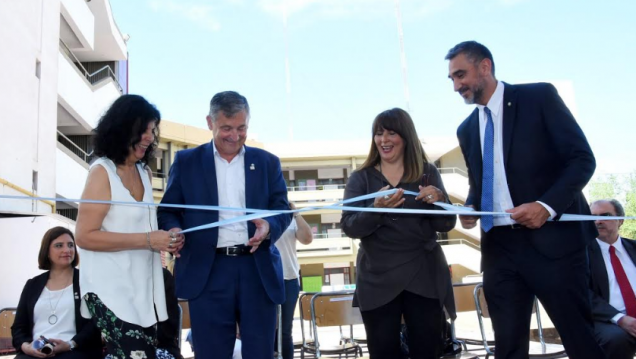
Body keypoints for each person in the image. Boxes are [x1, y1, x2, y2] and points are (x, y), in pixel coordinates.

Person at [447, 41, 605, 359]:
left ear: (485, 67)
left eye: (461, 74)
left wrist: (545, 207)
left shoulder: (538, 98)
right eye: (451, 78)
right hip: (499, 251)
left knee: (579, 340)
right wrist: (470, 208)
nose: (456, 85)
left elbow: (581, 159)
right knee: (507, 347)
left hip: (554, 244)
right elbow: (480, 185)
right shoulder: (466, 130)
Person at [157, 91, 291, 359]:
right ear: (210, 122)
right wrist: (173, 230)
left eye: (241, 128)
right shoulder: (186, 162)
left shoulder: (267, 163)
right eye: (226, 128)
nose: (235, 135)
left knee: (260, 353)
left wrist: (269, 226)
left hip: (256, 268)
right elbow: (169, 210)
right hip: (208, 272)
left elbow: (282, 210)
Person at [340, 108, 456, 359]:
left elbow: (447, 224)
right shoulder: (361, 178)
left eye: (391, 133)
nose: (384, 140)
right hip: (377, 277)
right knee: (383, 351)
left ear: (406, 137)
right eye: (379, 133)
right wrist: (376, 209)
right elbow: (349, 226)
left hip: (423, 274)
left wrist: (439, 199)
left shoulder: (427, 172)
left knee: (428, 349)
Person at [75, 94, 183, 359]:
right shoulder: (102, 172)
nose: (149, 137)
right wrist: (148, 240)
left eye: (152, 130)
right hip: (109, 290)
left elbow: (147, 229)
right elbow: (85, 236)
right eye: (143, 129)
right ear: (122, 128)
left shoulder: (145, 173)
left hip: (143, 289)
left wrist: (169, 238)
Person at [11, 227, 101, 359]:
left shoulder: (87, 282)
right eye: (59, 245)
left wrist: (70, 344)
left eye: (71, 245)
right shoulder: (32, 285)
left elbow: (96, 323)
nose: (67, 250)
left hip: (75, 350)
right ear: (47, 251)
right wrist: (27, 348)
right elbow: (19, 327)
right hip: (35, 352)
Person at [588, 199, 636, 359]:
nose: (598, 221)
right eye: (592, 216)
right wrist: (620, 319)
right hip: (606, 319)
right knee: (616, 339)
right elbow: (581, 292)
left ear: (620, 220)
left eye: (605, 215)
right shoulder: (581, 255)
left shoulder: (634, 248)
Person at [274, 202, 313, 359]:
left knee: (285, 330)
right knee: (265, 328)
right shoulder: (256, 210)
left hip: (289, 279)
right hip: (262, 279)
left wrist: (296, 213)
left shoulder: (289, 216)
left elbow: (307, 239)